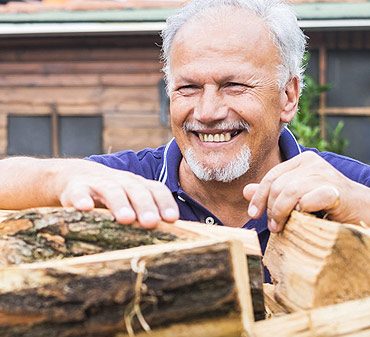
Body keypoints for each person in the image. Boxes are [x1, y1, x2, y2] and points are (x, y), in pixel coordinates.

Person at [0, 0, 369, 281]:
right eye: (189, 88)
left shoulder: (344, 188)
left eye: (234, 86)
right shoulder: (131, 186)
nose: (207, 111)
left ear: (288, 97)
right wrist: (59, 178)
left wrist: (358, 205)